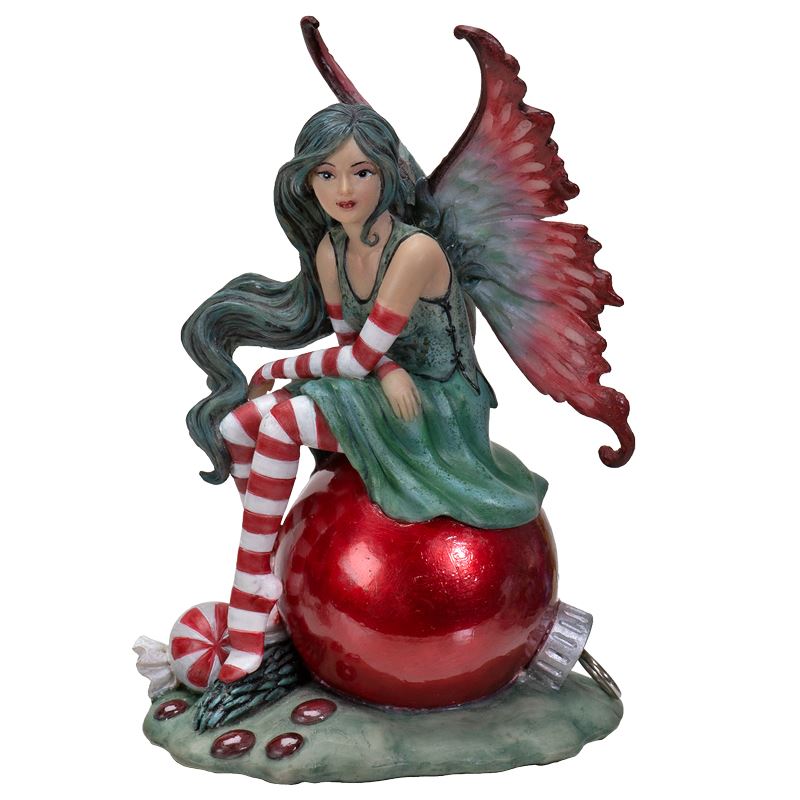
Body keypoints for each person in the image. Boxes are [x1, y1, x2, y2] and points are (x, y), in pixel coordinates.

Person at [183, 104, 547, 683]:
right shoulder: (330, 250)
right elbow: (355, 346)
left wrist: (278, 366)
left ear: (386, 173)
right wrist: (385, 371)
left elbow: (354, 357)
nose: (345, 190)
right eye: (326, 174)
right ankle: (270, 573)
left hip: (439, 403)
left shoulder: (414, 252)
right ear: (305, 181)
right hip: (382, 384)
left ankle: (250, 615)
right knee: (234, 426)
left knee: (279, 423)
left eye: (362, 171)